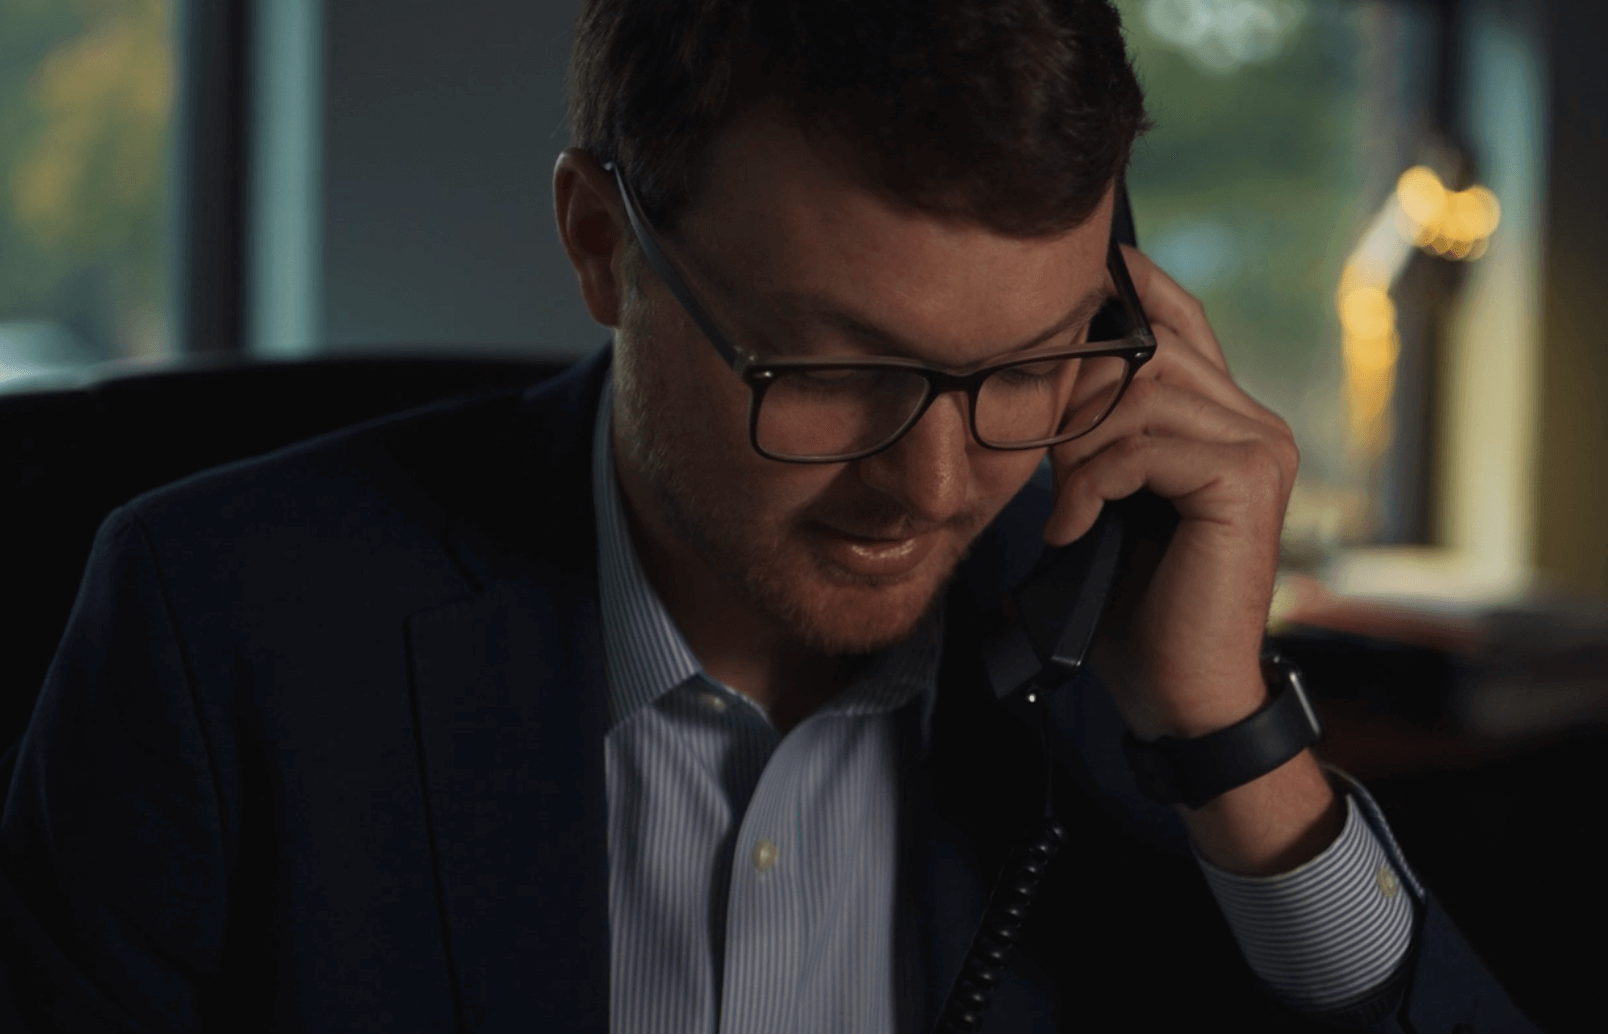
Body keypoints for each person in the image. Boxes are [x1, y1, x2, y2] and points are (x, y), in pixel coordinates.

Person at [0, 1, 1534, 1031]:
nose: (934, 486)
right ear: (600, 245)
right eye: (836, 371)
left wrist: (1233, 740)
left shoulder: (1116, 652)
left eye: (1024, 366)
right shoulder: (215, 627)